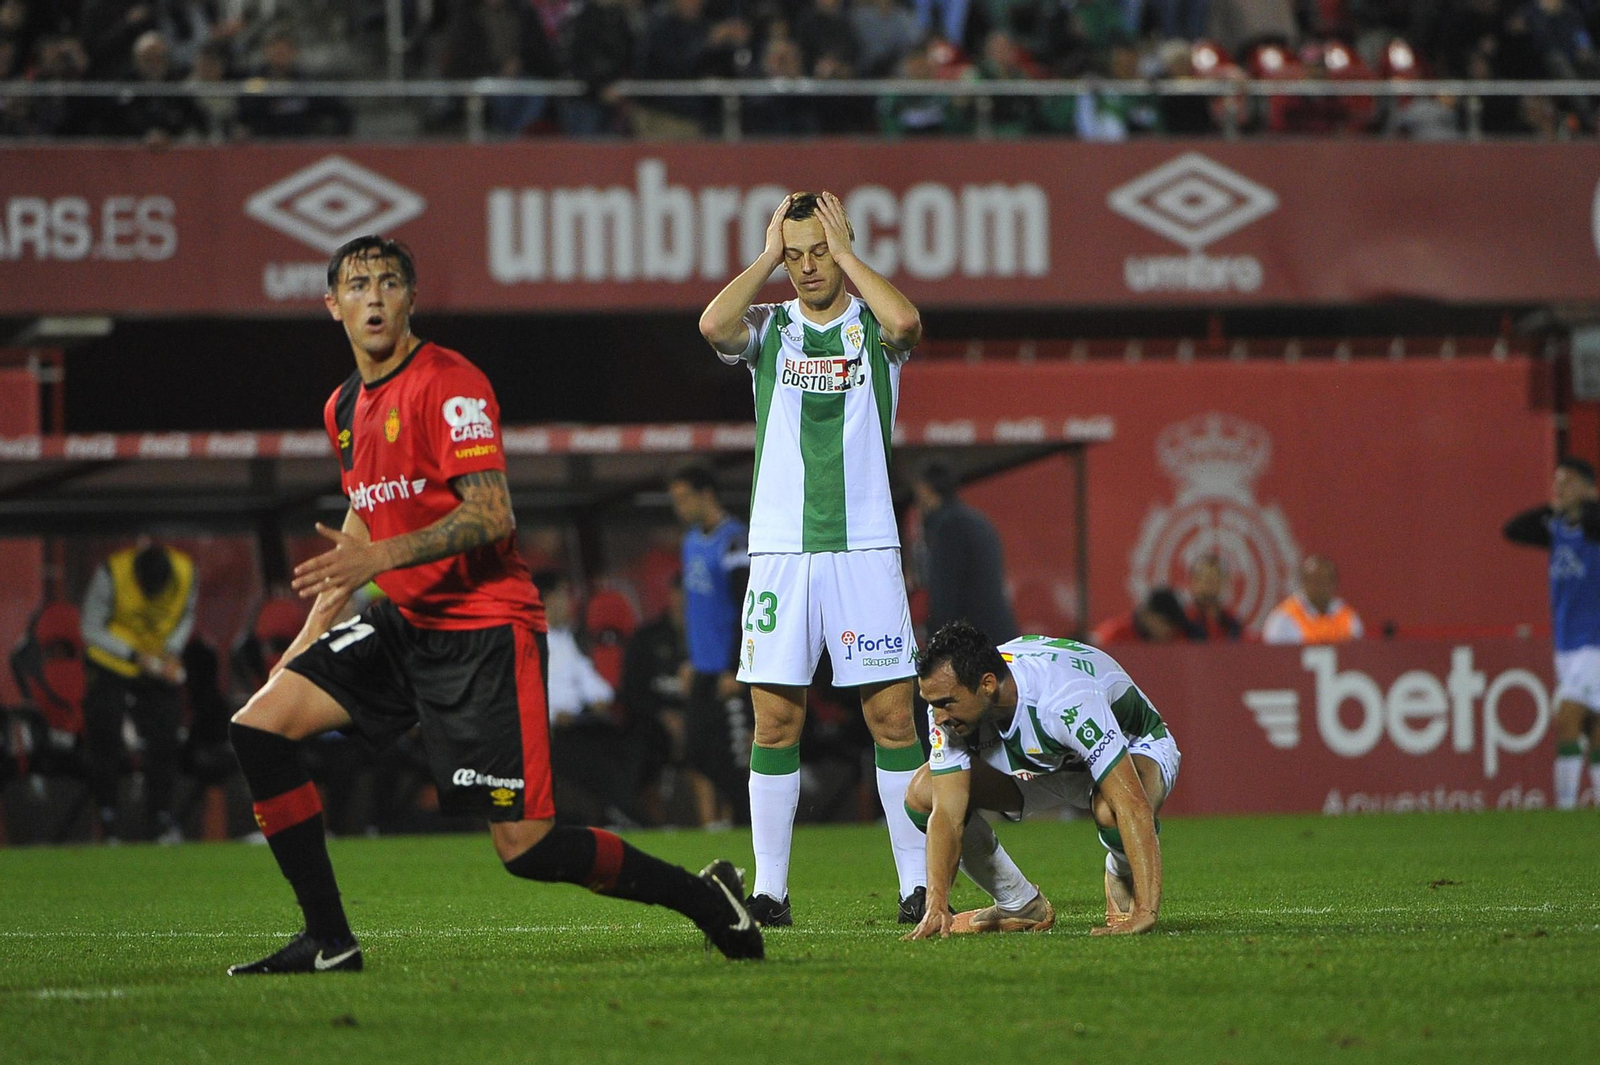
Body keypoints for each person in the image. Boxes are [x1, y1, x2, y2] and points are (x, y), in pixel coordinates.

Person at [225, 235, 761, 974]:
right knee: (258, 728)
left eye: (388, 282)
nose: (373, 296)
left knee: (528, 847)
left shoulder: (451, 382)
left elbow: (491, 514)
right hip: (405, 623)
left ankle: (706, 898)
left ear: (410, 299)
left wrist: (378, 558)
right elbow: (364, 513)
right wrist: (311, 634)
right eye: (357, 285)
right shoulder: (343, 405)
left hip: (483, 629)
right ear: (333, 305)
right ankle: (329, 939)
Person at [698, 190, 928, 927]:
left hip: (864, 547)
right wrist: (765, 255)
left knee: (893, 718)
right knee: (773, 722)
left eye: (815, 252)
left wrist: (850, 253)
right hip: (781, 552)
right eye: (793, 256)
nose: (804, 268)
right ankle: (770, 889)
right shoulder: (768, 331)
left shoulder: (873, 327)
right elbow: (711, 324)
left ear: (842, 248)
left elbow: (908, 321)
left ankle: (917, 886)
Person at [903, 621, 1179, 940]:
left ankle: (1120, 869)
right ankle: (1018, 903)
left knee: (1111, 811)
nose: (937, 717)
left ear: (988, 685)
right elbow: (948, 815)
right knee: (925, 795)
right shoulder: (950, 701)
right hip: (1043, 764)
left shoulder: (1065, 699)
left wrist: (1146, 912)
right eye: (931, 703)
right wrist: (937, 904)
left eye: (945, 703)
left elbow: (1133, 805)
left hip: (1133, 747)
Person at [80, 538, 197, 843]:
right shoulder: (112, 572)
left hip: (157, 665)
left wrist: (172, 653)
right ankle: (107, 822)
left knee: (166, 738)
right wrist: (132, 655)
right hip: (112, 664)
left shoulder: (186, 572)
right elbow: (90, 628)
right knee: (104, 735)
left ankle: (159, 821)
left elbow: (186, 615)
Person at [1504, 456, 1600, 810]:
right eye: (1556, 481)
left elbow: (1592, 517)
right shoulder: (1557, 530)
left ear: (1590, 488)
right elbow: (1511, 529)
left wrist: (1585, 504)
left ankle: (1565, 806)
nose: (1560, 488)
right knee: (1594, 727)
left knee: (1567, 716)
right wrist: (1556, 509)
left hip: (1594, 641)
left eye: (1569, 481)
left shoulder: (1595, 526)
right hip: (1566, 643)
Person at [667, 463, 752, 828]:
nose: (679, 507)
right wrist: (687, 657)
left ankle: (748, 826)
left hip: (726, 669)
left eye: (685, 498)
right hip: (700, 666)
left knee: (735, 756)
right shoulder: (689, 543)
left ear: (707, 495)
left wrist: (736, 666)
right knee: (697, 752)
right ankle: (719, 823)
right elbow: (693, 607)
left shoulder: (735, 540)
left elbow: (744, 604)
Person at [913, 461, 1018, 644]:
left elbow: (945, 590)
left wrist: (938, 639)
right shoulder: (973, 520)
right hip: (994, 634)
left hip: (976, 643)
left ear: (926, 489)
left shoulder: (950, 526)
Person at [1261, 556, 1364, 645]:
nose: (1322, 586)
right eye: (1315, 580)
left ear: (1335, 582)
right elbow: (1274, 660)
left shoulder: (1348, 617)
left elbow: (1357, 656)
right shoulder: (1284, 618)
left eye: (1327, 580)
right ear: (1304, 582)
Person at [1091, 587, 1196, 645]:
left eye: (1174, 625)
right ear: (1147, 615)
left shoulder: (1181, 635)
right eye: (1164, 623)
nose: (1169, 630)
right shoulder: (1114, 634)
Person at [1183, 553, 1243, 640]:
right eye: (1206, 579)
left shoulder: (1232, 621)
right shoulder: (1184, 621)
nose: (1211, 586)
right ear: (1193, 582)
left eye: (1216, 579)